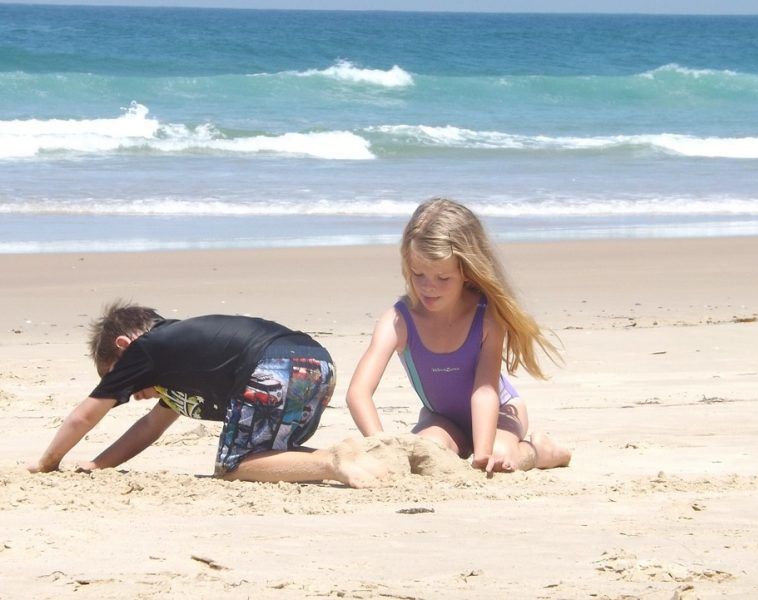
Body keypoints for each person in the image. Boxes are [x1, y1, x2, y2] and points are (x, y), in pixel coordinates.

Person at [28, 301, 386, 488]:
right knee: (269, 457)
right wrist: (98, 465)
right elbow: (149, 427)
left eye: (122, 379)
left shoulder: (147, 349)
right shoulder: (182, 362)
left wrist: (47, 462)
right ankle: (349, 457)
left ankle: (330, 463)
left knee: (233, 468)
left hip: (270, 366)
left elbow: (84, 415)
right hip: (316, 364)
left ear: (125, 346)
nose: (131, 392)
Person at [346, 198, 571, 473]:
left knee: (500, 459)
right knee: (424, 458)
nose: (429, 287)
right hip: (441, 419)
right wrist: (380, 447)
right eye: (419, 274)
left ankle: (541, 450)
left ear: (466, 271)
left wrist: (483, 452)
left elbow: (485, 390)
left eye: (443, 278)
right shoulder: (398, 322)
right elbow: (358, 392)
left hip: (499, 412)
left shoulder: (487, 318)